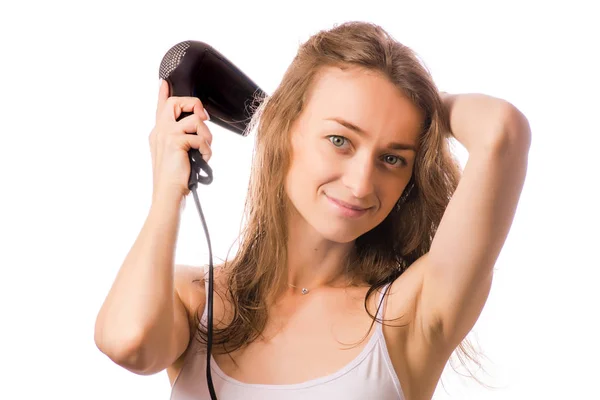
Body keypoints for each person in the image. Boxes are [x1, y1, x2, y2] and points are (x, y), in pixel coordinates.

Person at [94, 21, 531, 400]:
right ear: (285, 130)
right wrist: (169, 190)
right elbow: (128, 342)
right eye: (340, 140)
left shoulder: (410, 309)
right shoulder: (196, 298)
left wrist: (418, 102)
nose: (361, 184)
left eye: (392, 158)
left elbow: (502, 130)